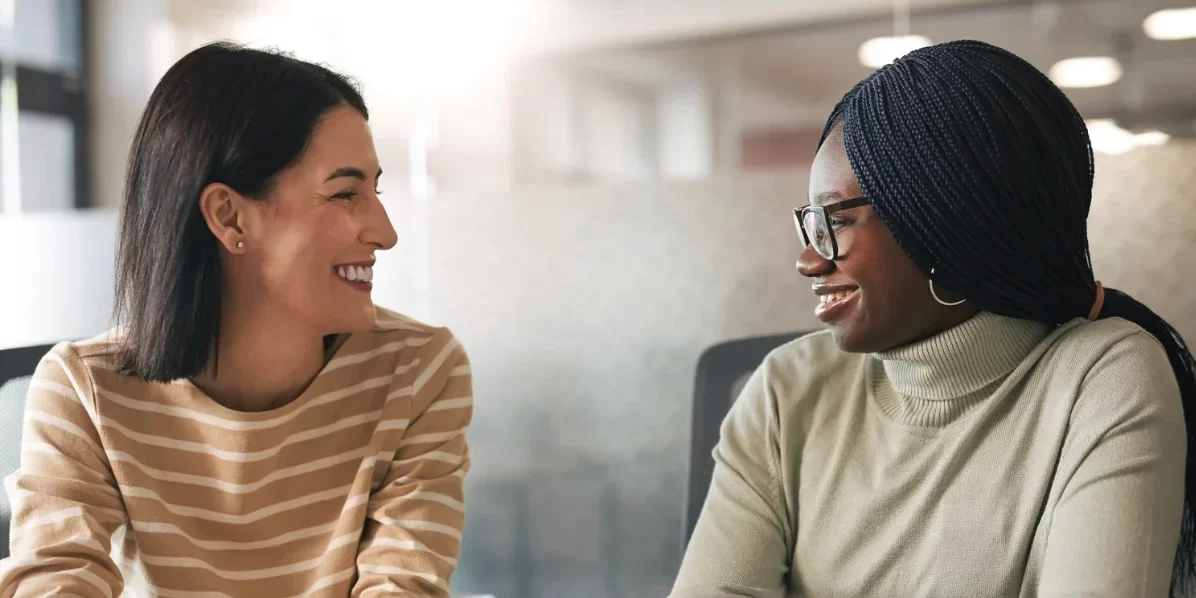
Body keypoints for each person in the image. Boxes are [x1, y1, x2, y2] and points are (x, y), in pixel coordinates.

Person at [672, 40, 1195, 598]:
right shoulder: (785, 390)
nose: (809, 259)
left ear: (946, 220)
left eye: (836, 222)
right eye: (809, 224)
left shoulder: (1104, 380)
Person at [0, 43, 473, 597]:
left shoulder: (420, 372)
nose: (385, 232)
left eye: (376, 189)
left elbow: (405, 587)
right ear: (229, 216)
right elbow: (54, 584)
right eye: (345, 193)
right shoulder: (83, 392)